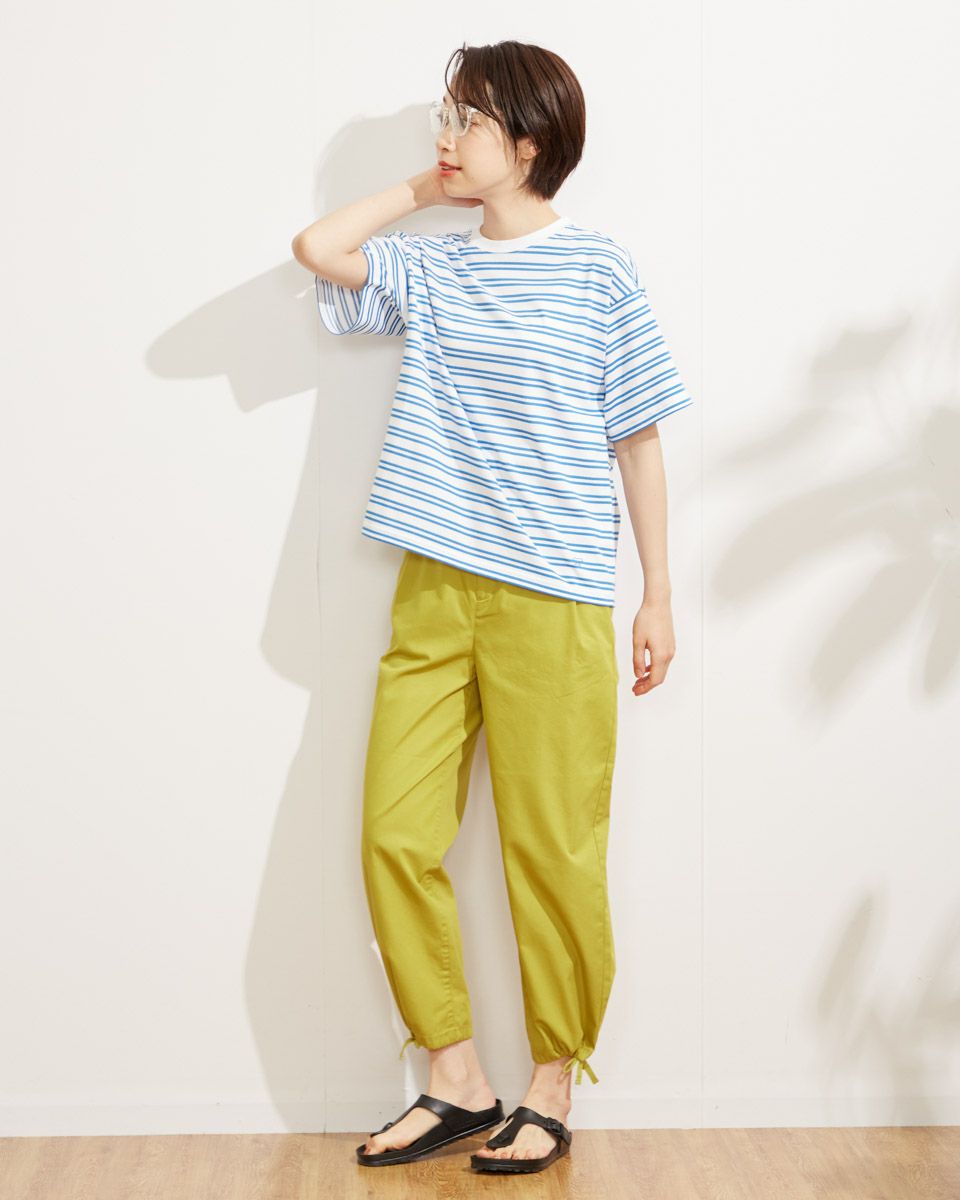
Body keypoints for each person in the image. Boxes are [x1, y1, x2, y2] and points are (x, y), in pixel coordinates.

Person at [292, 39, 694, 1176]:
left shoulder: (598, 269)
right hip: (434, 586)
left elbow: (638, 438)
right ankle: (457, 1079)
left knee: (551, 847)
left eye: (467, 121)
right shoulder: (434, 268)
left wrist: (658, 594)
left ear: (527, 144)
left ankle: (552, 1085)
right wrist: (425, 189)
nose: (446, 134)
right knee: (393, 833)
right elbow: (320, 248)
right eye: (446, 115)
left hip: (555, 597)